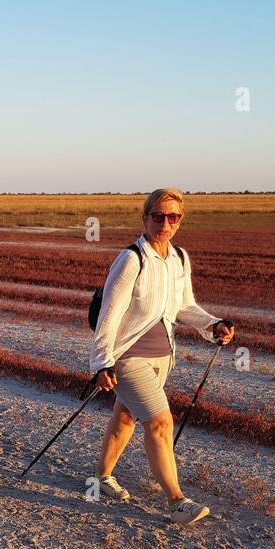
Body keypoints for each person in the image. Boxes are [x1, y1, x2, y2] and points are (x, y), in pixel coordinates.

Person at [89, 187, 234, 524]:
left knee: (126, 417)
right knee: (159, 421)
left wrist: (213, 325)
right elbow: (109, 315)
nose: (165, 223)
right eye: (159, 217)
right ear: (146, 218)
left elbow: (184, 306)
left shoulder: (179, 259)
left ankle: (100, 478)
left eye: (173, 217)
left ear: (179, 222)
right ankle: (176, 501)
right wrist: (101, 363)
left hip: (163, 358)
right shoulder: (131, 259)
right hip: (128, 357)